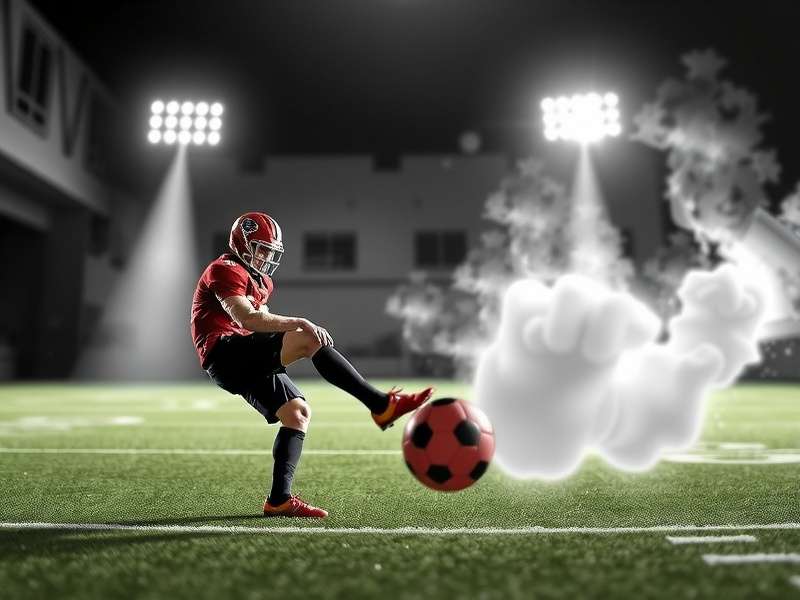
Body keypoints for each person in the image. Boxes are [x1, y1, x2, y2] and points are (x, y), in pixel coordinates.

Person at [190, 211, 433, 518]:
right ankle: (381, 405)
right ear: (242, 243)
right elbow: (248, 319)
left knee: (297, 413)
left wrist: (284, 337)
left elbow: (258, 324)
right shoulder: (223, 269)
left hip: (241, 354)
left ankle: (279, 500)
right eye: (261, 248)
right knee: (307, 338)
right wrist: (299, 323)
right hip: (223, 353)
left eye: (270, 251)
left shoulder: (262, 280)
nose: (266, 256)